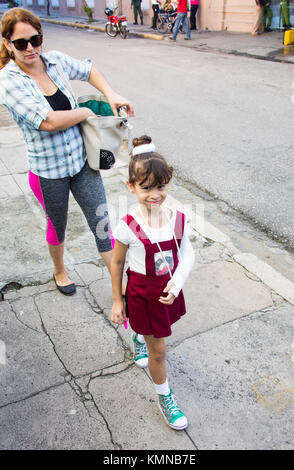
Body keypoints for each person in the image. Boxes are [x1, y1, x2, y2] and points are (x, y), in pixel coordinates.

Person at [0, 8, 134, 296]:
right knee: (57, 226)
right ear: (8, 44)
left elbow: (89, 70)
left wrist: (111, 94)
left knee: (101, 222)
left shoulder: (55, 61)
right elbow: (47, 121)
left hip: (82, 163)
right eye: (21, 43)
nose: (31, 49)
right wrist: (85, 111)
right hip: (48, 173)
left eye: (36, 40)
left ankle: (119, 286)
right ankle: (59, 270)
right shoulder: (8, 81)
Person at [110, 136, 195, 430]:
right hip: (142, 294)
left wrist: (177, 282)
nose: (154, 194)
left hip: (167, 291)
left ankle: (139, 337)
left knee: (151, 336)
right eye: (146, 188)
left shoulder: (179, 219)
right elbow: (118, 263)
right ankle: (165, 396)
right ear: (131, 187)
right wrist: (118, 300)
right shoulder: (127, 225)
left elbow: (187, 252)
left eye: (160, 186)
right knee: (159, 351)